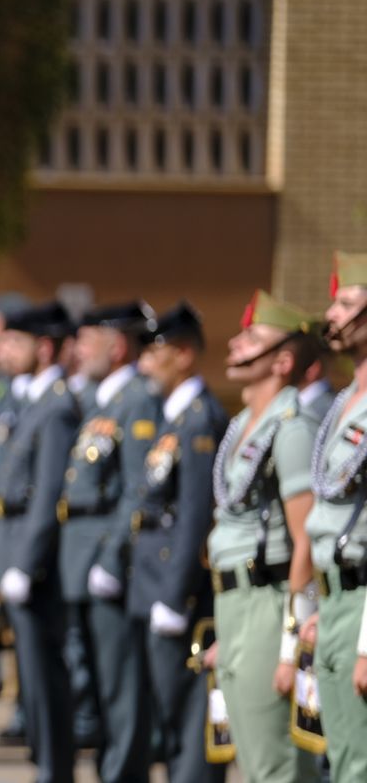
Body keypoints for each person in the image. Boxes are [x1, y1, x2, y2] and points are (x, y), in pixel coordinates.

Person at [205, 290, 323, 783]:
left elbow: (306, 540)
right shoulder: (243, 425)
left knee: (276, 766)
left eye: (252, 338)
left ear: (283, 361)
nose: (235, 343)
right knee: (252, 763)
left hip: (269, 605)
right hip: (235, 604)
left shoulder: (292, 429)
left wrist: (289, 647)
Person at [58, 302, 159, 783]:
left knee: (121, 688)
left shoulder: (136, 400)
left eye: (87, 340)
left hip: (106, 561)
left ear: (117, 347)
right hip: (81, 558)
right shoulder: (103, 400)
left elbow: (139, 489)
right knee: (97, 685)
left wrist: (114, 558)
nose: (77, 350)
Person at [128, 302, 228, 783]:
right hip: (156, 583)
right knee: (171, 717)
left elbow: (194, 515)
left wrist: (174, 595)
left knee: (190, 719)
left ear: (184, 354)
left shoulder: (199, 420)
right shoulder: (175, 417)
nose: (144, 362)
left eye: (155, 351)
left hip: (179, 591)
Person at [0, 301, 81, 783]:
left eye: (15, 342)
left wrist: (25, 564)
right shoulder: (31, 401)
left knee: (45, 676)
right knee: (32, 675)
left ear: (44, 348)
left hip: (37, 564)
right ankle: (45, 765)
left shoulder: (57, 407)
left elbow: (48, 492)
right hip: (14, 546)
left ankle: (54, 770)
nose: (3, 350)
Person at [302, 250, 367, 781]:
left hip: (363, 604)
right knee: (343, 760)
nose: (332, 314)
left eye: (347, 303)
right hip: (337, 598)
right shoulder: (346, 399)